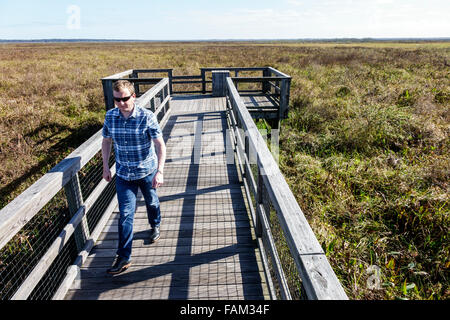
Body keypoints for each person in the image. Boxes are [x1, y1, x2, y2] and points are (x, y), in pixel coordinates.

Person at [101, 79, 166, 275]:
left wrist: (160, 171)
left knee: (152, 203)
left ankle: (155, 225)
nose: (121, 103)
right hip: (123, 174)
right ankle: (123, 257)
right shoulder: (110, 116)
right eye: (117, 100)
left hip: (146, 171)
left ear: (134, 96)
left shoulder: (147, 117)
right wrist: (106, 167)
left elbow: (160, 145)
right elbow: (106, 142)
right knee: (125, 215)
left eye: (125, 99)